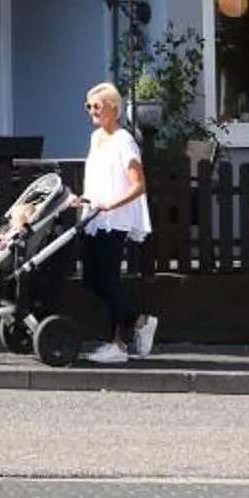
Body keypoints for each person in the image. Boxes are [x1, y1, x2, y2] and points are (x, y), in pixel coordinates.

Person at [76, 82, 157, 363]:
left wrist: (110, 204)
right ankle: (139, 322)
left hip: (115, 219)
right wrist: (83, 200)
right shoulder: (96, 138)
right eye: (89, 107)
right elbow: (97, 177)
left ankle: (117, 345)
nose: (92, 111)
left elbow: (138, 185)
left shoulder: (124, 140)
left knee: (109, 280)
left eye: (96, 106)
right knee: (91, 279)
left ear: (113, 108)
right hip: (94, 218)